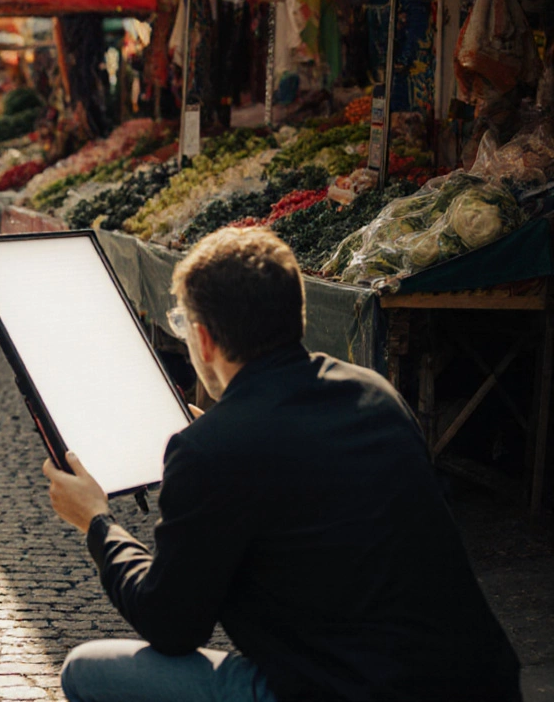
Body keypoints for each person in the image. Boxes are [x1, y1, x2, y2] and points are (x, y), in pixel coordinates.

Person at [44, 228, 520, 702]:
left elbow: (170, 624)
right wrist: (217, 435)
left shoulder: (211, 451)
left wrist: (96, 521)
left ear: (204, 340)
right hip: (482, 682)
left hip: (345, 691)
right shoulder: (375, 394)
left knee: (85, 671)